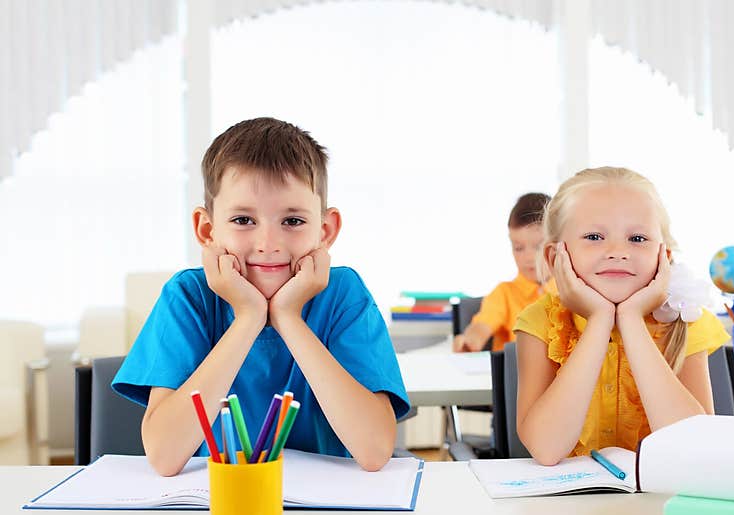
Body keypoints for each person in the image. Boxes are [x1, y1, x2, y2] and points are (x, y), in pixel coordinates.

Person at [112, 117, 410, 476]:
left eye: (293, 221)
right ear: (207, 229)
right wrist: (248, 318)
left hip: (327, 514)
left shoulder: (343, 294)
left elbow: (375, 450)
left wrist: (289, 318)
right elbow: (164, 456)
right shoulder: (188, 298)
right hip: (215, 513)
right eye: (242, 220)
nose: (268, 245)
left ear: (325, 229)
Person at [514, 166, 729, 465]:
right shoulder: (539, 322)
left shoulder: (686, 319)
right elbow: (546, 449)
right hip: (566, 508)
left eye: (638, 239)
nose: (617, 251)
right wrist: (600, 319)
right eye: (593, 236)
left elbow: (691, 448)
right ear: (555, 256)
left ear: (663, 256)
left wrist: (630, 319)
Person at [453, 192, 553, 352]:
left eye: (538, 246)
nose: (528, 257)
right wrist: (470, 341)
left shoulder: (573, 292)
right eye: (518, 248)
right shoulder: (504, 294)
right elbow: (481, 326)